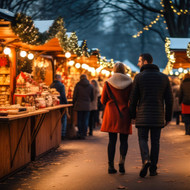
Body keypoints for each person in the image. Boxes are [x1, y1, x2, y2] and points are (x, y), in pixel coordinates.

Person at [129, 53, 173, 178]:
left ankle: (145, 160)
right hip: (158, 115)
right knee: (155, 142)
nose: (138, 63)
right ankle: (153, 169)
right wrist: (168, 117)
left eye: (139, 61)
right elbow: (169, 100)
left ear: (145, 62)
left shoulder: (138, 77)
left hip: (142, 115)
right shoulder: (164, 78)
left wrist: (132, 115)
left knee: (142, 139)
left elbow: (133, 99)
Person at [100, 62, 132, 174]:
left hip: (112, 114)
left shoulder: (108, 82)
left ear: (114, 69)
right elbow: (132, 99)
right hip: (124, 114)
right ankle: (122, 162)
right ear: (124, 70)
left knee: (112, 141)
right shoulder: (130, 82)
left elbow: (103, 100)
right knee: (124, 140)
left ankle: (110, 166)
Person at [73, 74, 94, 139]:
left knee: (79, 120)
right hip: (87, 105)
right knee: (85, 120)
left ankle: (80, 132)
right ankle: (84, 133)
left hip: (79, 104)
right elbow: (92, 97)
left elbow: (75, 96)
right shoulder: (90, 86)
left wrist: (74, 103)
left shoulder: (77, 85)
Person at [50, 74, 68, 140]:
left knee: (56, 119)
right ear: (58, 78)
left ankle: (57, 134)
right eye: (61, 78)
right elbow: (63, 95)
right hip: (61, 104)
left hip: (54, 104)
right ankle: (63, 134)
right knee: (63, 118)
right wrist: (66, 103)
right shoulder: (61, 85)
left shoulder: (51, 85)